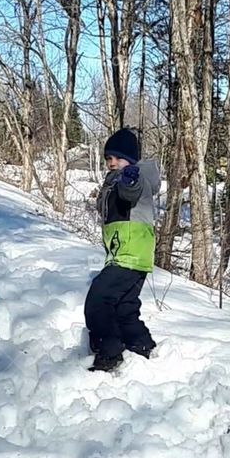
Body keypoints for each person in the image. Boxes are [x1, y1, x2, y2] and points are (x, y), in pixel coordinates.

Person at [84, 127, 159, 372]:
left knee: (99, 299)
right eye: (108, 158)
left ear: (131, 160)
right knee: (124, 306)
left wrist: (129, 178)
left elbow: (131, 191)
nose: (112, 162)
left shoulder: (135, 178)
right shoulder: (112, 181)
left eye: (117, 157)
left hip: (129, 253)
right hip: (129, 255)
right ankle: (141, 344)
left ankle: (109, 352)